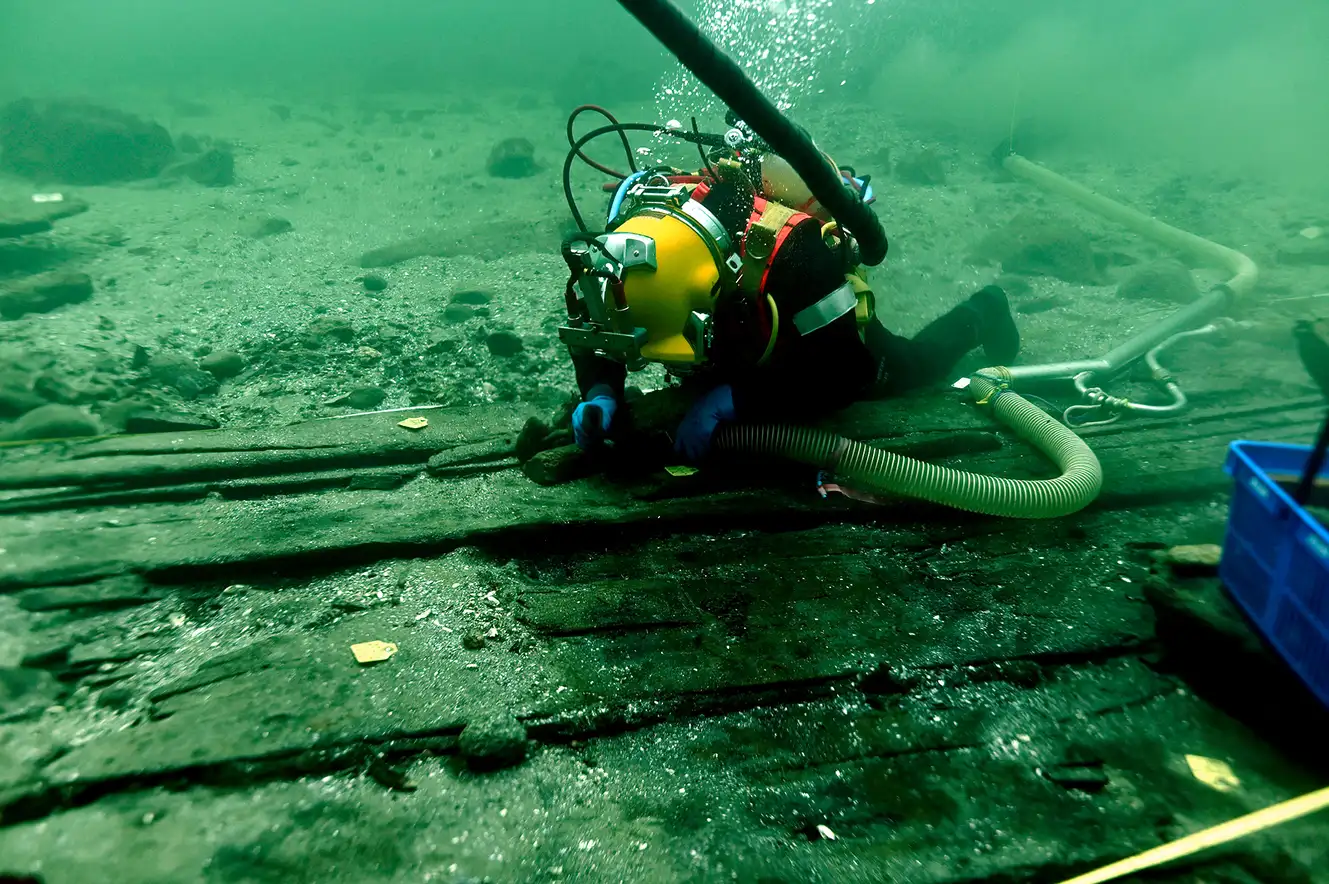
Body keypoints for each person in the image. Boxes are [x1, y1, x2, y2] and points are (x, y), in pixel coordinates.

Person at [556, 132, 1021, 464]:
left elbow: (845, 372)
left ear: (712, 292)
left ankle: (984, 311)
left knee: (909, 367)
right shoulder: (625, 250)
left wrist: (740, 399)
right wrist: (601, 390)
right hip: (744, 336)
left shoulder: (798, 255)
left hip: (810, 341)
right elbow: (598, 328)